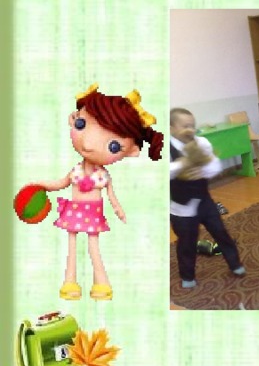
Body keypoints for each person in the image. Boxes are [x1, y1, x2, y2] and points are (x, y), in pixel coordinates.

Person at [37, 83, 164, 300]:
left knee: (93, 247)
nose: (88, 144)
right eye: (81, 124)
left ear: (132, 151)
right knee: (71, 247)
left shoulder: (103, 177)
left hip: (92, 212)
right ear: (73, 118)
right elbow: (61, 183)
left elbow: (112, 196)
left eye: (113, 146)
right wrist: (40, 185)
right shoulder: (76, 171)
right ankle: (69, 281)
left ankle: (101, 282)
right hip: (74, 210)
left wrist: (118, 209)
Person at [169, 108, 245, 289]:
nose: (190, 130)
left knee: (220, 232)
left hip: (204, 201)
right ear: (171, 128)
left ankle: (235, 264)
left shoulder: (201, 143)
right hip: (181, 207)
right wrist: (182, 165)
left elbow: (215, 166)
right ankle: (187, 276)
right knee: (187, 242)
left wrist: (202, 169)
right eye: (184, 126)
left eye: (192, 126)